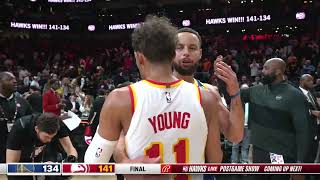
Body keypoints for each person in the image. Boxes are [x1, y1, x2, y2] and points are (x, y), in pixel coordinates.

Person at [84, 15, 222, 179]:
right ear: (172, 55)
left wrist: (127, 165)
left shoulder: (121, 99)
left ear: (139, 57)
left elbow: (92, 166)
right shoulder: (207, 97)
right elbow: (215, 161)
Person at [113, 28, 244, 166]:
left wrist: (235, 93)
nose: (186, 53)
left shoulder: (209, 94)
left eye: (192, 48)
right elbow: (120, 143)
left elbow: (235, 135)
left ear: (200, 54)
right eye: (179, 47)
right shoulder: (145, 92)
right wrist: (126, 162)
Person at [222, 58, 312, 180]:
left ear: (279, 72)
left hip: (280, 153)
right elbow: (232, 96)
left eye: (266, 68)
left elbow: (304, 131)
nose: (262, 71)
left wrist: (301, 164)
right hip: (259, 151)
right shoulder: (256, 90)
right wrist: (223, 78)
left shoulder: (294, 95)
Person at [6, 113, 77, 180]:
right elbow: (11, 165)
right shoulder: (20, 127)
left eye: (52, 136)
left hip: (45, 154)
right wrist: (40, 167)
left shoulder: (57, 124)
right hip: (23, 156)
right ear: (37, 129)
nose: (49, 140)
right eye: (46, 136)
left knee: (55, 175)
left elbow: (70, 149)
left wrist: (70, 160)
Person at [0, 72, 33, 163]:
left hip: (19, 152)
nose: (15, 81)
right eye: (9, 79)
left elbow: (31, 124)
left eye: (15, 79)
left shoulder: (23, 102)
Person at [299, 74, 320, 163]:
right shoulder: (296, 93)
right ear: (302, 81)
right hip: (304, 129)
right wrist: (311, 112)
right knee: (304, 157)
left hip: (315, 127)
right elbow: (295, 110)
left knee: (312, 155)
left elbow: (315, 108)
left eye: (312, 80)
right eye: (309, 80)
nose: (312, 82)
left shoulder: (311, 93)